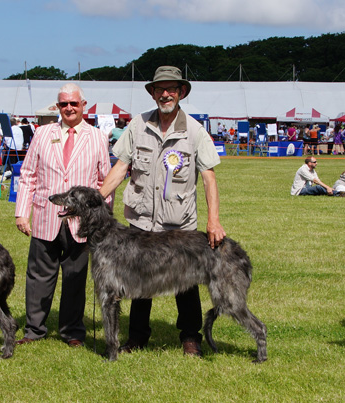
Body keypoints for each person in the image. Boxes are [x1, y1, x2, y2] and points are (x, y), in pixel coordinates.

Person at [98, 66, 225, 357]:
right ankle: (138, 338)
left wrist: (214, 220)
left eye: (171, 89)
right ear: (153, 93)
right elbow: (121, 167)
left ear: (181, 92)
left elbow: (209, 176)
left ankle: (191, 337)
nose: (165, 94)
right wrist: (99, 197)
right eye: (159, 89)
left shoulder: (194, 130)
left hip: (178, 223)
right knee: (139, 281)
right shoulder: (137, 124)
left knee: (186, 284)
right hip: (141, 220)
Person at [14, 83, 110, 348]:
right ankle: (34, 330)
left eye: (74, 103)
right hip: (46, 218)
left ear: (83, 105)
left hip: (82, 224)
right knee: (38, 277)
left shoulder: (98, 137)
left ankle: (73, 332)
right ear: (57, 107)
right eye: (63, 104)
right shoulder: (42, 134)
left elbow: (105, 182)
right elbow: (28, 175)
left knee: (75, 279)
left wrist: (100, 219)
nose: (69, 108)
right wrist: (22, 213)